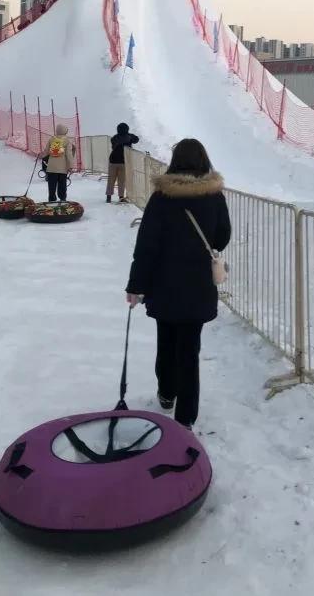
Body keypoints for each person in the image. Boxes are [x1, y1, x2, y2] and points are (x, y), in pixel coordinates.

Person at [125, 139, 231, 430]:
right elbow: (222, 238)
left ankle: (166, 392)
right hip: (197, 285)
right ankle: (185, 419)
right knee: (189, 351)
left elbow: (147, 245)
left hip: (164, 284)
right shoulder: (214, 196)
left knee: (166, 340)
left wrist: (136, 285)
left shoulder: (162, 198)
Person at [41, 124, 76, 203]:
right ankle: (62, 200)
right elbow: (69, 154)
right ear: (65, 131)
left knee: (51, 186)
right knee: (62, 186)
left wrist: (41, 155)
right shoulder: (67, 140)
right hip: (62, 169)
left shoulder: (52, 139)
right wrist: (71, 166)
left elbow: (46, 152)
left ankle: (51, 201)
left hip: (51, 168)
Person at [107, 122, 139, 203]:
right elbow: (136, 139)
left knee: (111, 179)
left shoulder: (114, 138)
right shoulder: (129, 137)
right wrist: (129, 134)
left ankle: (109, 197)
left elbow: (114, 144)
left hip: (113, 161)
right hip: (124, 162)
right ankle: (121, 197)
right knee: (122, 180)